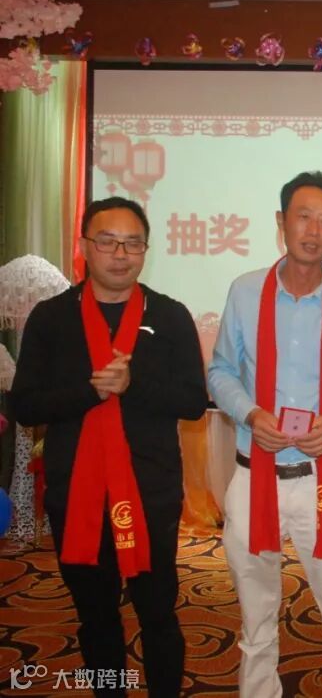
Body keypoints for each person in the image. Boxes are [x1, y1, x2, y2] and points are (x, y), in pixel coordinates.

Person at [12, 197, 207, 697]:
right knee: (96, 619)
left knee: (158, 614)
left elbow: (192, 403)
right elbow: (25, 406)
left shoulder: (169, 316)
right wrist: (89, 391)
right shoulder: (52, 318)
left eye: (132, 243)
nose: (120, 254)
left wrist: (132, 385)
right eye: (108, 241)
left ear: (146, 250)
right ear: (84, 247)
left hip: (150, 494)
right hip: (76, 495)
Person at [207, 172, 322, 697]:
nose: (313, 230)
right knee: (255, 613)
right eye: (303, 217)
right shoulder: (245, 290)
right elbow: (221, 371)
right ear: (281, 222)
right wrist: (250, 414)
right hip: (253, 474)